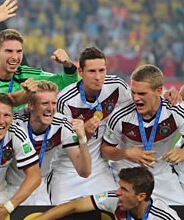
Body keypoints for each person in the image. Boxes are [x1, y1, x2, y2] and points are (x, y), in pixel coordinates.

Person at [0, 166, 184, 220]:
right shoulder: (115, 199)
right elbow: (72, 206)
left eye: (124, 189)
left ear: (141, 196)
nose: (117, 192)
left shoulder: (165, 218)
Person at [101, 64, 184, 205]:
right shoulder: (120, 116)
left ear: (159, 91)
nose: (136, 98)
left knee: (180, 214)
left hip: (160, 175)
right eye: (133, 92)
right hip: (126, 175)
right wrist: (126, 153)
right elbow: (105, 151)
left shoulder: (177, 110)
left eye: (142, 94)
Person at [52, 46, 130, 204]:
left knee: (115, 206)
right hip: (68, 167)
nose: (98, 77)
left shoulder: (117, 87)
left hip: (100, 166)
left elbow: (135, 109)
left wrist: (170, 96)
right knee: (61, 211)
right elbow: (63, 144)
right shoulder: (66, 99)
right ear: (80, 72)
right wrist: (84, 135)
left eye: (102, 70)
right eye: (92, 71)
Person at [9, 80, 91, 205]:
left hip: (39, 189)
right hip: (10, 187)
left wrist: (82, 139)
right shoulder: (14, 122)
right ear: (31, 105)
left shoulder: (62, 125)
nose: (51, 109)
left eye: (54, 103)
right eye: (45, 103)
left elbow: (84, 172)